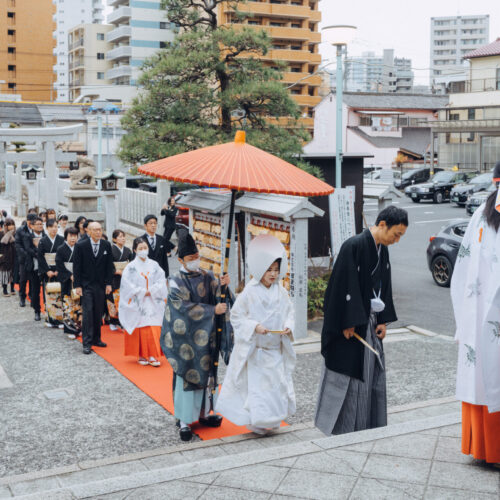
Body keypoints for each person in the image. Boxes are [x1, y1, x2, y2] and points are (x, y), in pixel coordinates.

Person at [315, 206, 408, 436]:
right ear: (383, 224)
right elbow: (340, 287)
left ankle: (365, 425)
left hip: (369, 320)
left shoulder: (381, 250)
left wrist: (383, 319)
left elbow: (383, 286)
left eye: (400, 236)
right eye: (396, 234)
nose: (397, 240)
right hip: (351, 325)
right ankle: (341, 428)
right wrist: (347, 321)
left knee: (371, 372)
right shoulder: (354, 246)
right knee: (348, 375)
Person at [216, 234, 296, 434]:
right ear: (260, 269)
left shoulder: (282, 292)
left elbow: (290, 312)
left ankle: (275, 419)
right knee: (259, 390)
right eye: (269, 269)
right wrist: (254, 326)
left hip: (274, 348)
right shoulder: (249, 292)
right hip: (258, 350)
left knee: (276, 386)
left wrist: (288, 326)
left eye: (276, 270)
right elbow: (236, 316)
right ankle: (257, 421)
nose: (273, 274)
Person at [160, 231, 233, 441]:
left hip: (206, 338)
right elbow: (180, 309)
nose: (195, 261)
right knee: (187, 378)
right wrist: (212, 311)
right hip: (185, 341)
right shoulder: (174, 281)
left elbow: (218, 295)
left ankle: (204, 413)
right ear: (181, 260)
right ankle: (184, 420)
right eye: (191, 259)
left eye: (197, 257)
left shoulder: (207, 276)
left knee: (208, 376)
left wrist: (224, 285)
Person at [450, 162, 500, 468]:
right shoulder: (483, 217)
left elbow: (463, 271)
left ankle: (482, 448)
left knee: (482, 374)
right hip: (489, 310)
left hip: (481, 310)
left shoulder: (480, 216)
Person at [119, 237, 168, 366]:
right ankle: (141, 354)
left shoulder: (154, 265)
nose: (143, 250)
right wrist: (141, 291)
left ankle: (152, 354)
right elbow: (126, 285)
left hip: (152, 300)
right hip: (138, 301)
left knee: (153, 326)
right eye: (140, 248)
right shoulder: (130, 267)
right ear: (135, 250)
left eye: (145, 248)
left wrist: (151, 290)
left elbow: (161, 280)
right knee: (140, 326)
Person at [73, 221, 114, 354]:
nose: (98, 232)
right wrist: (77, 285)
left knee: (98, 312)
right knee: (88, 313)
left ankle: (97, 338)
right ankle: (87, 342)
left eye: (100, 229)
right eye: (95, 230)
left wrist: (109, 283)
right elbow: (77, 267)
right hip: (86, 284)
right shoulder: (81, 245)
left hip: (101, 285)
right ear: (88, 232)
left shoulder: (106, 245)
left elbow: (109, 266)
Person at [38, 219, 65, 328]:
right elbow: (40, 257)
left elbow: (63, 256)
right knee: (49, 294)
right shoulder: (43, 241)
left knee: (60, 293)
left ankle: (60, 319)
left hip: (58, 269)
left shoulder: (61, 239)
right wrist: (47, 270)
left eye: (56, 227)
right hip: (47, 269)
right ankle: (50, 319)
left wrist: (59, 269)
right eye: (51, 227)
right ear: (47, 228)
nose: (54, 229)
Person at [56, 227, 81, 339]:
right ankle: (70, 329)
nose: (73, 238)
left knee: (79, 305)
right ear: (66, 237)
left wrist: (78, 275)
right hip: (67, 279)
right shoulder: (61, 249)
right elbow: (59, 264)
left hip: (78, 279)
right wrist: (69, 275)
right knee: (68, 304)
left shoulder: (80, 248)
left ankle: (79, 327)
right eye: (71, 236)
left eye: (75, 236)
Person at [20, 216, 45, 321]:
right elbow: (28, 249)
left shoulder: (46, 236)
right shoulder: (28, 236)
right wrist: (39, 254)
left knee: (46, 290)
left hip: (45, 267)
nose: (39, 226)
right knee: (35, 290)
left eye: (41, 224)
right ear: (32, 226)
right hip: (33, 266)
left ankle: (49, 311)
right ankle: (37, 311)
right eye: (37, 224)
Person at [108, 229, 133, 331]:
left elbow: (131, 263)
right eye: (120, 236)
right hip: (114, 278)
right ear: (114, 239)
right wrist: (116, 271)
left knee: (124, 300)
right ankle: (113, 321)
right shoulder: (110, 250)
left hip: (125, 278)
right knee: (114, 300)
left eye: (123, 236)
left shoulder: (127, 250)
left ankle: (123, 321)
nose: (123, 238)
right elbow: (108, 264)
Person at [15, 213, 37, 307]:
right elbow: (18, 244)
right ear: (27, 221)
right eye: (31, 222)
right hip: (24, 259)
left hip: (34, 258)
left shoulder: (36, 230)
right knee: (23, 279)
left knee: (33, 279)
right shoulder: (20, 230)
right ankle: (22, 297)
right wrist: (25, 254)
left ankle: (31, 296)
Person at [0, 218, 16, 297]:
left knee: (12, 273)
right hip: (4, 256)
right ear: (6, 225)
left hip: (13, 255)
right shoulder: (1, 233)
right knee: (4, 274)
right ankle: (5, 289)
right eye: (10, 225)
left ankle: (12, 288)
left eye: (13, 224)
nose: (12, 226)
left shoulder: (14, 233)